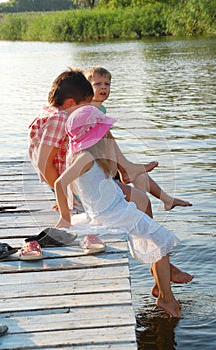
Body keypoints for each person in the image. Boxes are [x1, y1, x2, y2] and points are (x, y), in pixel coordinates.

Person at [28, 68, 193, 285]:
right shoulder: (60, 118)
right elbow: (43, 164)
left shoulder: (51, 112)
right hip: (81, 187)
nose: (86, 109)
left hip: (82, 177)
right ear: (70, 103)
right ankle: (159, 266)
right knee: (140, 202)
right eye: (84, 105)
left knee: (139, 198)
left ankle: (159, 263)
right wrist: (68, 202)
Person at [54, 104, 191, 318]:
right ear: (95, 136)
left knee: (152, 227)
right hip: (112, 214)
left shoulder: (85, 156)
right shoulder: (86, 158)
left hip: (111, 209)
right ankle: (166, 298)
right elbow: (60, 183)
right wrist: (64, 217)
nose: (108, 134)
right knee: (160, 240)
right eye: (104, 132)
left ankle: (160, 286)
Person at [85, 66, 192, 211]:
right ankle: (133, 188)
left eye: (107, 84)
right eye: (97, 84)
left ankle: (165, 200)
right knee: (137, 175)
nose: (103, 88)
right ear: (86, 88)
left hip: (111, 162)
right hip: (100, 167)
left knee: (140, 176)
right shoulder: (89, 111)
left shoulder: (101, 109)